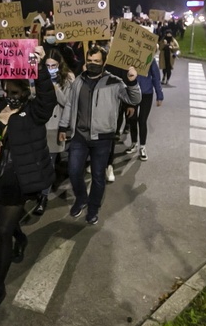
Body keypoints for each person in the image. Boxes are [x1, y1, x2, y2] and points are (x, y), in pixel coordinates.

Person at [0, 46, 55, 311]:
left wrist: (40, 68)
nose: (11, 98)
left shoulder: (34, 113)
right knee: (6, 223)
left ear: (26, 93)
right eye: (8, 93)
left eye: (17, 93)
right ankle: (21, 237)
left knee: (3, 230)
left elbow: (48, 101)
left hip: (19, 178)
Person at [58, 47, 141, 225]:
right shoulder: (78, 81)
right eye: (90, 61)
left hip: (102, 138)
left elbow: (134, 100)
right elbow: (71, 105)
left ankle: (93, 207)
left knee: (97, 176)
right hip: (79, 136)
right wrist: (63, 127)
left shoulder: (114, 82)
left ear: (103, 62)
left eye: (97, 61)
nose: (92, 64)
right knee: (73, 171)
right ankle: (81, 199)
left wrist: (133, 82)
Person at [35, 50, 75, 215]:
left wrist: (53, 85)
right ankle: (37, 189)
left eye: (54, 66)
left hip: (55, 125)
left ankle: (43, 196)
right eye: (47, 66)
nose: (51, 68)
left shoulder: (67, 80)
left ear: (60, 66)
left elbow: (67, 102)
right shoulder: (37, 75)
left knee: (49, 163)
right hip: (39, 124)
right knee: (38, 161)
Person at [125, 57, 163, 161]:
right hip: (132, 91)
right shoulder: (130, 56)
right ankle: (134, 143)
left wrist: (159, 95)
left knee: (142, 120)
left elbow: (156, 77)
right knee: (132, 118)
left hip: (146, 93)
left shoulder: (150, 59)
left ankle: (142, 146)